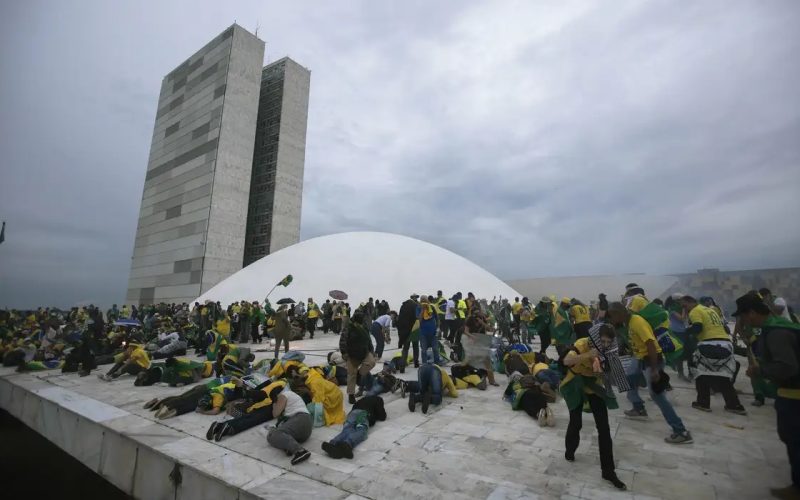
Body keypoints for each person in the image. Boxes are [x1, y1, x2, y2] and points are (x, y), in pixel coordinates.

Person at [734, 293, 800, 499]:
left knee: (793, 438)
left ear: (752, 313)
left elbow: (787, 366)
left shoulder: (776, 333)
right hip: (790, 392)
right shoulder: (784, 325)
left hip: (794, 395)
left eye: (743, 316)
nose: (743, 321)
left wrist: (760, 371)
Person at [607, 302, 693, 444]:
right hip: (640, 358)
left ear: (618, 314)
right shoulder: (628, 322)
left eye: (611, 316)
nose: (611, 320)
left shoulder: (637, 322)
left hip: (652, 360)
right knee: (629, 378)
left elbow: (651, 344)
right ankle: (639, 408)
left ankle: (681, 431)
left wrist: (654, 369)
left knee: (657, 396)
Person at [562, 323, 627, 490]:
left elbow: (613, 373)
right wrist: (587, 355)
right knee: (576, 422)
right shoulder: (582, 344)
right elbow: (566, 360)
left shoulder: (608, 351)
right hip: (575, 383)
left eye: (608, 342)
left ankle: (608, 470)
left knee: (604, 428)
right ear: (596, 338)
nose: (605, 345)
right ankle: (570, 451)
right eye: (602, 341)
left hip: (593, 385)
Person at [680, 295, 746, 414]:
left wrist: (685, 332)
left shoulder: (695, 311)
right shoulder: (710, 309)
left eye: (685, 306)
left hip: (708, 344)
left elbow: (697, 327)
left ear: (691, 302)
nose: (684, 309)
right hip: (725, 344)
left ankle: (703, 403)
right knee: (723, 376)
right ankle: (734, 405)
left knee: (700, 374)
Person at [322, 395, 387, 459]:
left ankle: (333, 443)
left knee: (347, 430)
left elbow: (354, 406)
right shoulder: (379, 399)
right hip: (362, 414)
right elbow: (382, 416)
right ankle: (347, 444)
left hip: (352, 414)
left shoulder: (362, 399)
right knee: (361, 430)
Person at [266, 387, 313, 465]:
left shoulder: (283, 395)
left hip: (300, 419)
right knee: (278, 433)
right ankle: (289, 447)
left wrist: (274, 404)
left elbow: (275, 414)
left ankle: (300, 451)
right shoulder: (292, 396)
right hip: (305, 428)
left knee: (272, 435)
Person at [340, 309, 377, 404]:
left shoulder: (364, 327)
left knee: (371, 362)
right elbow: (343, 340)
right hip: (352, 354)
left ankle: (360, 375)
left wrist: (372, 351)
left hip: (364, 352)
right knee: (351, 375)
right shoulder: (349, 327)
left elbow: (369, 340)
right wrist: (344, 353)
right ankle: (351, 395)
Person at [397, 295, 419, 369]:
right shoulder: (416, 305)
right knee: (415, 347)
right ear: (414, 299)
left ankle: (402, 365)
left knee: (405, 348)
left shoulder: (403, 306)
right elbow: (417, 317)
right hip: (414, 329)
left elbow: (400, 318)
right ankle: (416, 363)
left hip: (405, 330)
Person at [417, 296, 440, 365]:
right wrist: (422, 310)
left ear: (428, 301)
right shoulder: (418, 308)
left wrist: (438, 328)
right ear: (420, 301)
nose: (424, 302)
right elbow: (419, 320)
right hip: (423, 333)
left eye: (425, 301)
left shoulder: (432, 307)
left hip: (433, 333)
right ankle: (424, 364)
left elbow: (437, 318)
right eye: (422, 301)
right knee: (424, 350)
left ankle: (437, 364)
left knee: (435, 349)